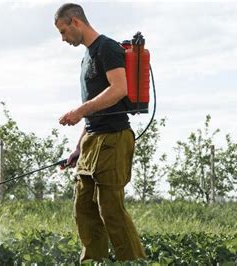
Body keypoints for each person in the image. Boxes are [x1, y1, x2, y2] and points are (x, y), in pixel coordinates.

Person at [54, 3, 146, 263]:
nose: (63, 39)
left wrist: (79, 110)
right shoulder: (86, 57)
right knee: (84, 208)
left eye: (63, 31)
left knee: (110, 209)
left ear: (75, 22)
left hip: (114, 139)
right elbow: (95, 108)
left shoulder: (107, 48)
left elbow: (119, 89)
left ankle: (134, 262)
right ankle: (93, 261)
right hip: (93, 140)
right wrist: (78, 147)